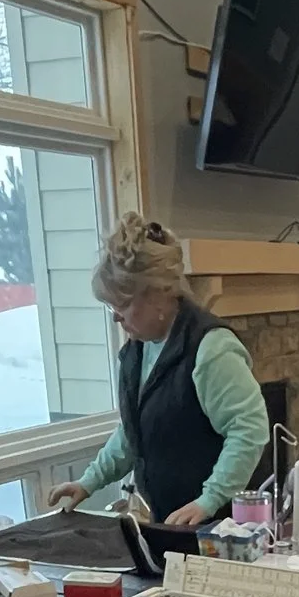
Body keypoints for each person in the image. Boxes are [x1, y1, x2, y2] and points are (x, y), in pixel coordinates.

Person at [47, 215, 271, 526]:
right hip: (174, 520)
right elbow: (133, 431)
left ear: (158, 295)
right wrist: (89, 482)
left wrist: (209, 500)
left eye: (122, 306)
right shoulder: (139, 349)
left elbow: (249, 430)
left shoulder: (211, 349)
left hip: (221, 524)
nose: (116, 319)